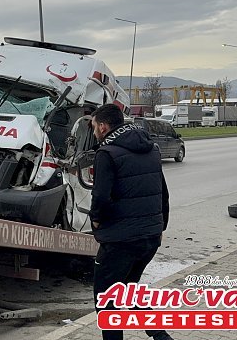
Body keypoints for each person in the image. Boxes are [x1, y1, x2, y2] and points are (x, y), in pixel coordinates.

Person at [89, 104, 172, 340]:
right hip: (150, 237)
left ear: (103, 127)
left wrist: (96, 220)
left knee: (106, 303)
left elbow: (101, 196)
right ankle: (162, 337)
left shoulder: (107, 153)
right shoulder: (151, 149)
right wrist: (160, 226)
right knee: (129, 290)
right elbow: (163, 193)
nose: (94, 131)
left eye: (94, 126)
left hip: (120, 241)